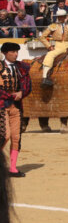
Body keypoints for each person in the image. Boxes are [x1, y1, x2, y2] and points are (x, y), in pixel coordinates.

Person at [1, 42, 32, 177]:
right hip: (1, 105)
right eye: (12, 52)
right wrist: (10, 95)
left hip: (16, 107)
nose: (16, 54)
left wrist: (21, 93)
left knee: (16, 137)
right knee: (4, 135)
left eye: (16, 51)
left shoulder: (22, 68)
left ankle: (12, 168)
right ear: (5, 53)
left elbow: (28, 85)